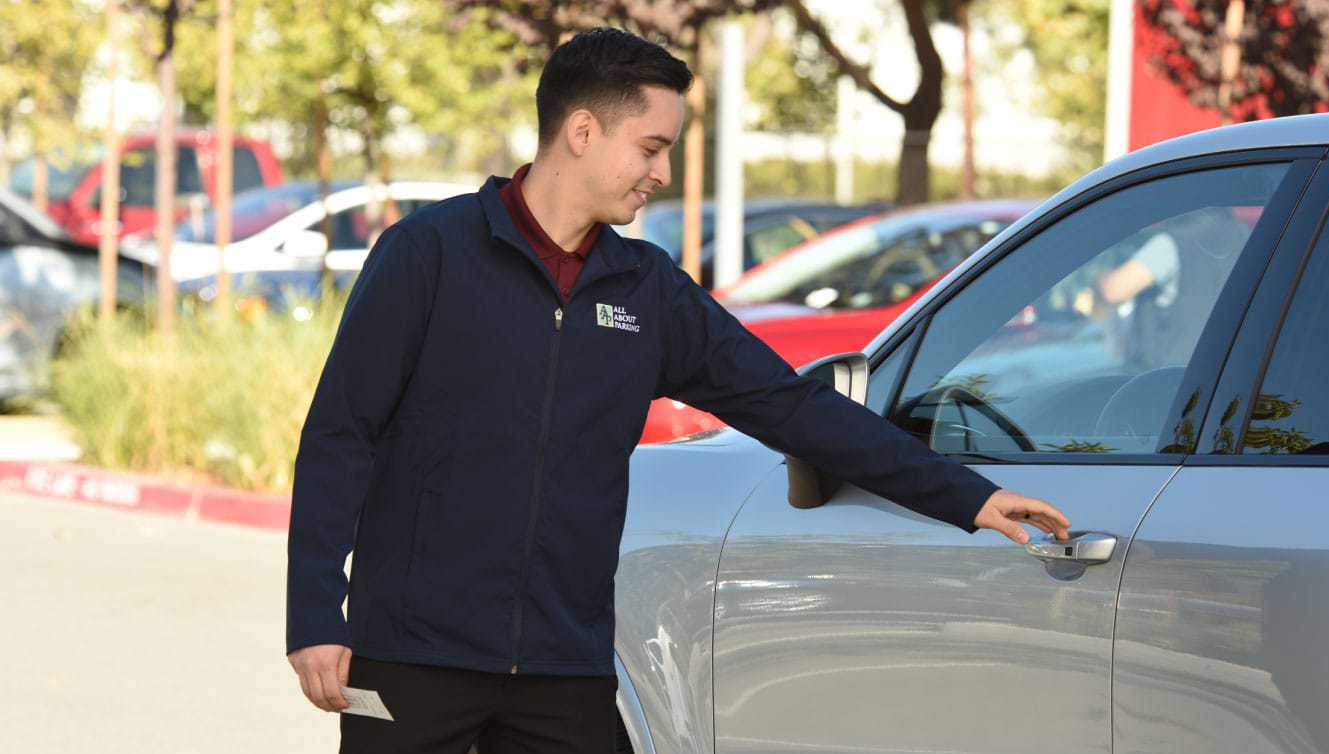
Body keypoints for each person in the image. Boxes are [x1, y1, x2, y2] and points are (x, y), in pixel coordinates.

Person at [286, 27, 1071, 754]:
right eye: (652, 147)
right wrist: (317, 617)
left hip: (565, 665)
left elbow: (789, 405)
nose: (661, 173)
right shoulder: (429, 256)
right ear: (583, 131)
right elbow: (339, 435)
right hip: (411, 656)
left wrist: (964, 496)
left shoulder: (645, 288)